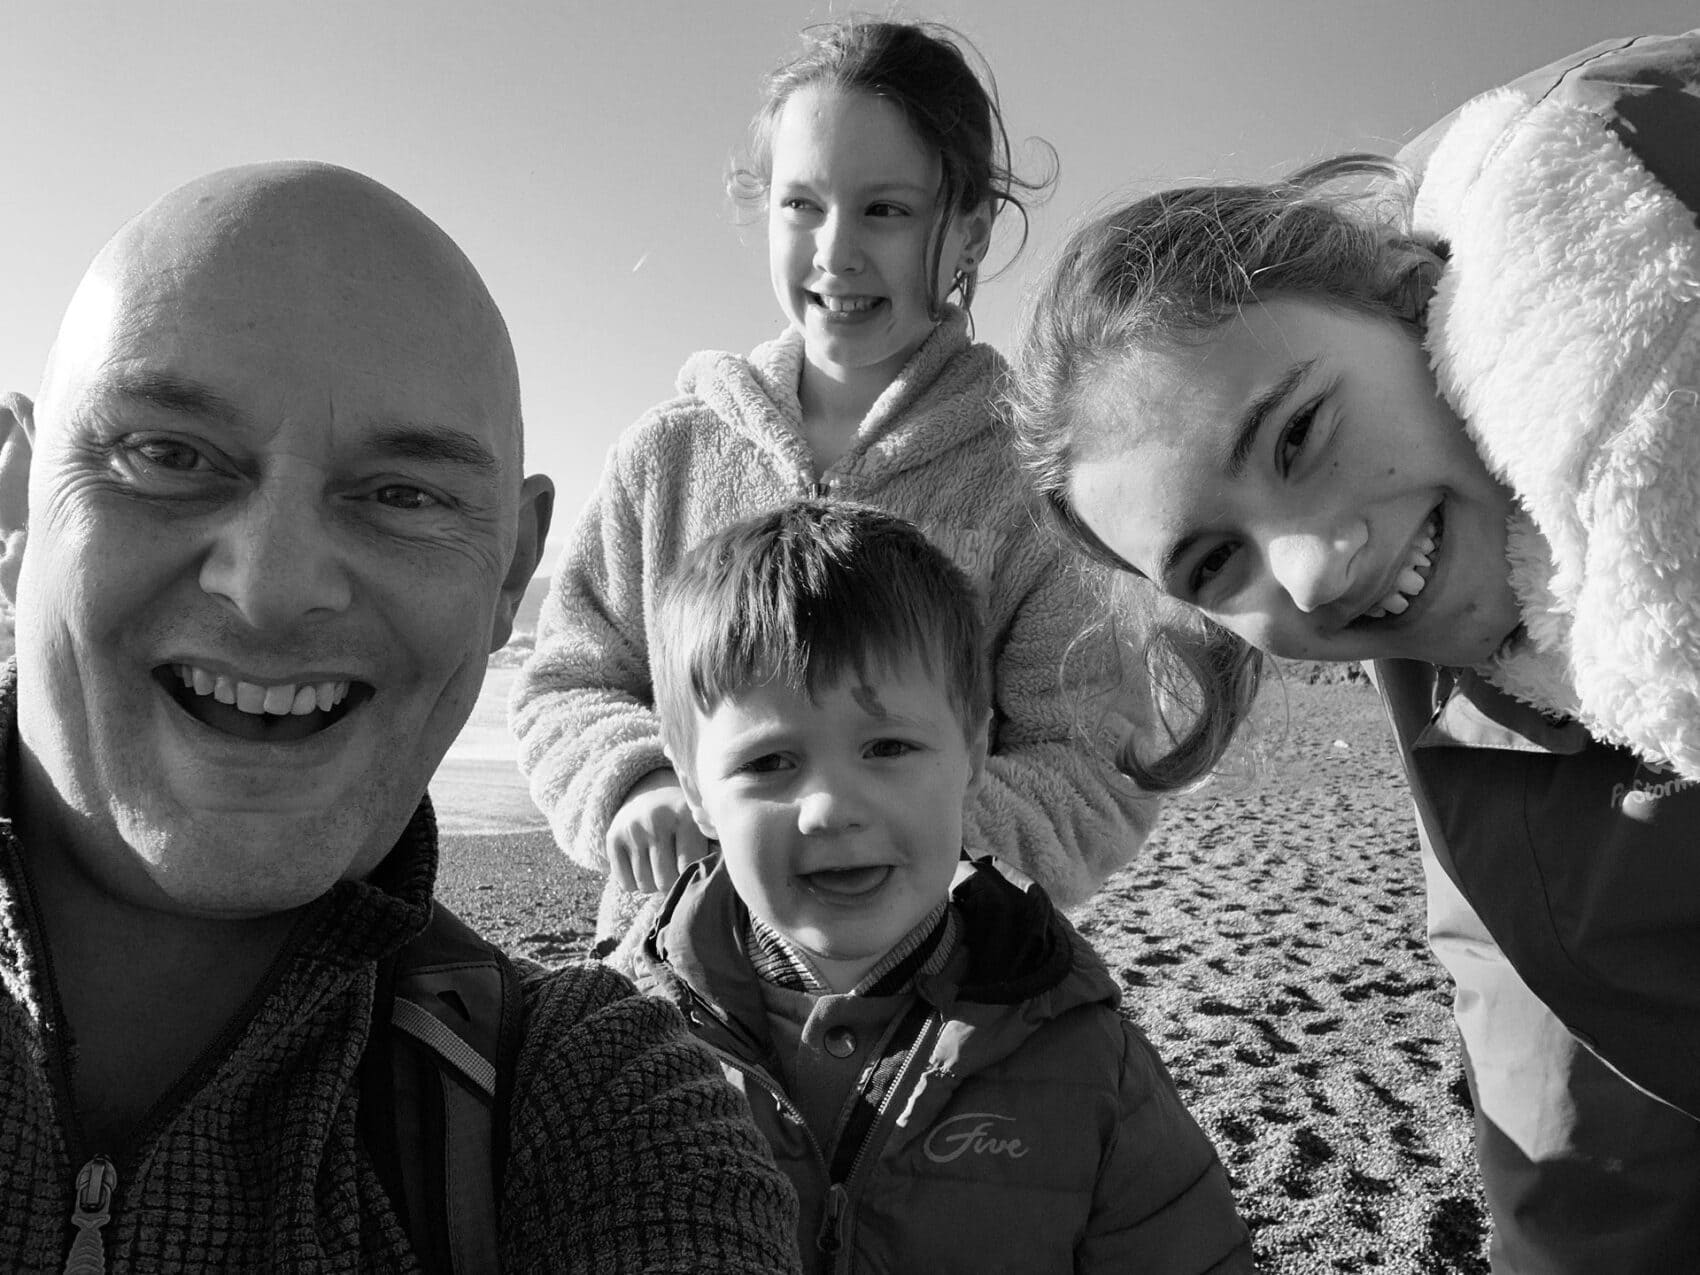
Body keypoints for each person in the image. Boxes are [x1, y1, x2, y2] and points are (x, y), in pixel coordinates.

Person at [0, 161, 801, 1273]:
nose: (274, 587)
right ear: (17, 496)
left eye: (403, 495)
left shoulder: (587, 1115)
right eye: (169, 456)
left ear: (510, 573)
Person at [1011, 29, 1700, 1272]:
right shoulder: (1469, 725)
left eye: (1296, 435)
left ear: (1400, 300)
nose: (1314, 571)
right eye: (1213, 565)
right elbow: (1575, 1131)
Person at [510, 17, 1158, 949]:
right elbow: (565, 679)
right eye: (801, 205)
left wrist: (900, 847)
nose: (836, 251)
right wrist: (638, 782)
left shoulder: (1037, 477)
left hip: (939, 995)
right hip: (675, 971)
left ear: (970, 228)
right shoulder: (670, 455)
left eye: (885, 210)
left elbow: (1098, 762)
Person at [630, 498, 1254, 1273]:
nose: (829, 808)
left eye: (887, 745)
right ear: (693, 790)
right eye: (769, 763)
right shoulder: (632, 1049)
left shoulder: (1088, 1061)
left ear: (973, 749)